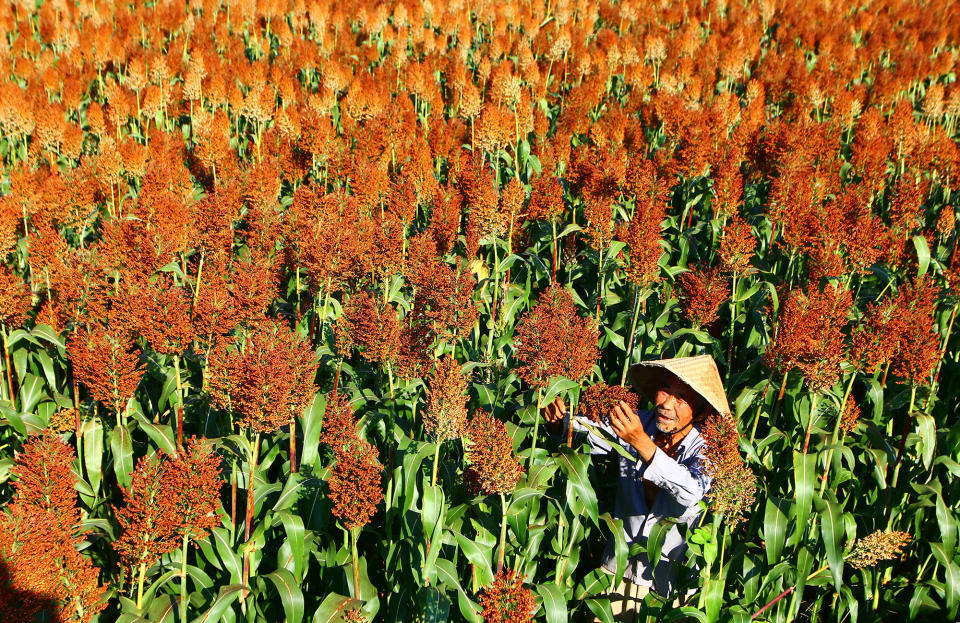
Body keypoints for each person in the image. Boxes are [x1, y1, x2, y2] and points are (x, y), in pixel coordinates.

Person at [541, 354, 730, 621]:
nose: (666, 404)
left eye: (681, 398)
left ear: (701, 411)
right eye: (665, 391)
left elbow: (691, 491)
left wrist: (642, 444)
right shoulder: (639, 422)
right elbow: (587, 430)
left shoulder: (709, 448)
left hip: (667, 584)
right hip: (617, 566)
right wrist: (558, 422)